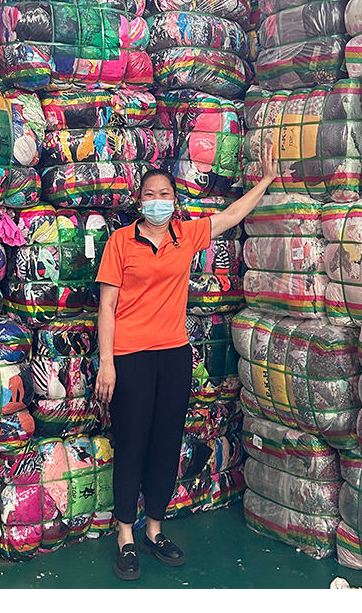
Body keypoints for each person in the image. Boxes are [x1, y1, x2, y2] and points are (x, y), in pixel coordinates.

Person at [94, 142, 278, 580]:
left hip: (174, 356)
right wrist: (106, 362)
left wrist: (267, 181)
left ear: (175, 200)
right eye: (150, 195)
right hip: (130, 357)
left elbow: (232, 216)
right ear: (139, 201)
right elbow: (106, 306)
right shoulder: (121, 242)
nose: (157, 201)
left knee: (165, 442)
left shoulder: (185, 235)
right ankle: (125, 536)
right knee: (132, 443)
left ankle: (154, 530)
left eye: (165, 195)